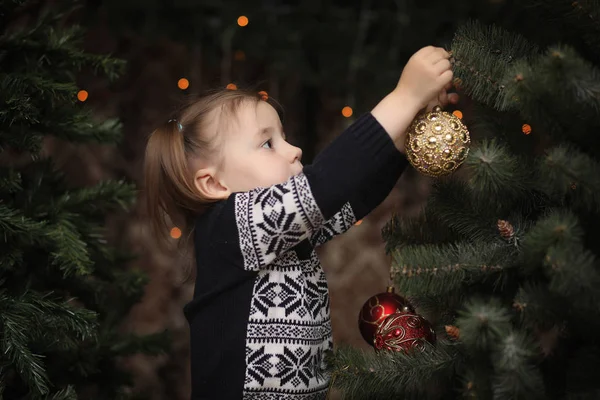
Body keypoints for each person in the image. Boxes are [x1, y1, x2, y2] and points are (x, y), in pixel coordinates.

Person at [144, 46, 458, 399]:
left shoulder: (285, 230)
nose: (293, 150)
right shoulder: (229, 225)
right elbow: (329, 182)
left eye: (284, 137)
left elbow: (351, 196)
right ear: (215, 184)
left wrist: (407, 130)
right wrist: (404, 97)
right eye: (268, 144)